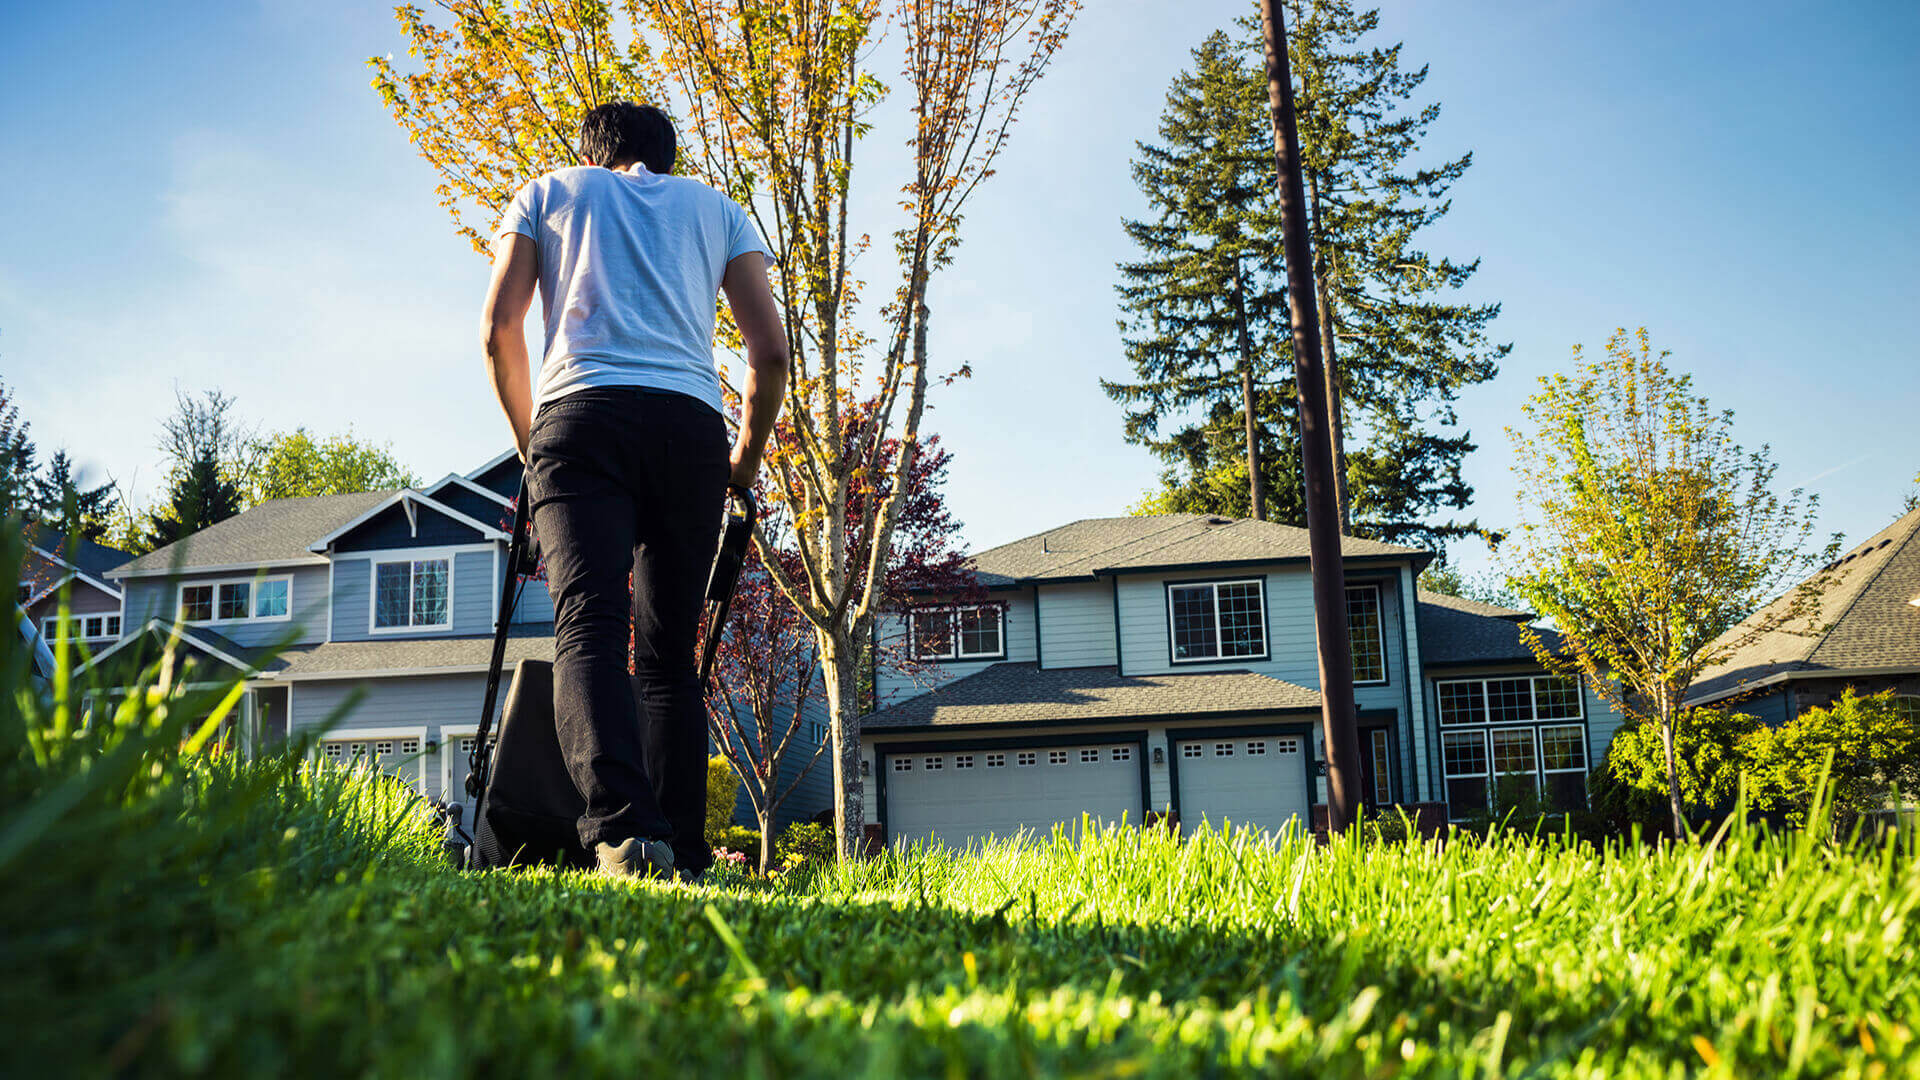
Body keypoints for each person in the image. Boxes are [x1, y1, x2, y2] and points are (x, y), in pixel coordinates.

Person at [479, 102, 790, 880]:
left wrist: (533, 445)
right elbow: (771, 352)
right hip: (690, 428)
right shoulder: (718, 210)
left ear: (592, 153)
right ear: (668, 155)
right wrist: (742, 469)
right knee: (667, 655)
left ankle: (623, 835)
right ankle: (684, 852)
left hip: (578, 416)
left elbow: (498, 330)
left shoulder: (549, 191)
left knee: (588, 621)